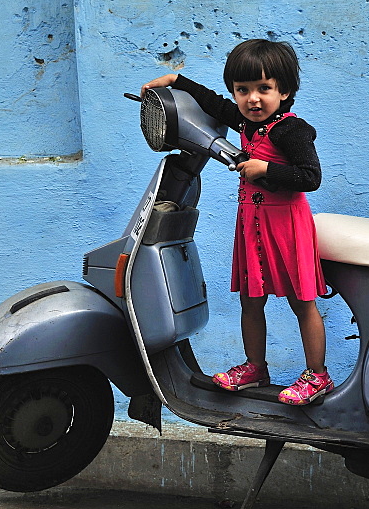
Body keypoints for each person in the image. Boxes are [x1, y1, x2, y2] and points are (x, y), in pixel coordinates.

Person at [141, 39, 332, 405]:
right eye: (243, 90)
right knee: (251, 299)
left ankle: (318, 376)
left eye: (264, 89)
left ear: (285, 91)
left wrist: (267, 169)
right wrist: (177, 82)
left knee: (301, 302)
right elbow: (214, 103)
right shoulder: (246, 122)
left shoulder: (292, 130)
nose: (252, 99)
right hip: (253, 227)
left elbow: (310, 177)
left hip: (287, 228)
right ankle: (255, 367)